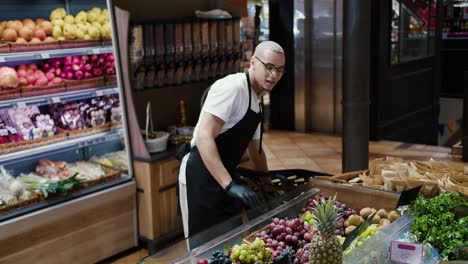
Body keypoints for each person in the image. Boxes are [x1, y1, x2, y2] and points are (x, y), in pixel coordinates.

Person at [177, 41, 286, 238]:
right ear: (253, 62)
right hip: (200, 177)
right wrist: (229, 184)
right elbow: (204, 137)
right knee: (203, 247)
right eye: (269, 67)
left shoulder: (257, 100)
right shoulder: (233, 88)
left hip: (226, 178)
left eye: (279, 70)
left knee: (229, 242)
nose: (274, 75)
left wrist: (269, 188)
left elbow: (256, 151)